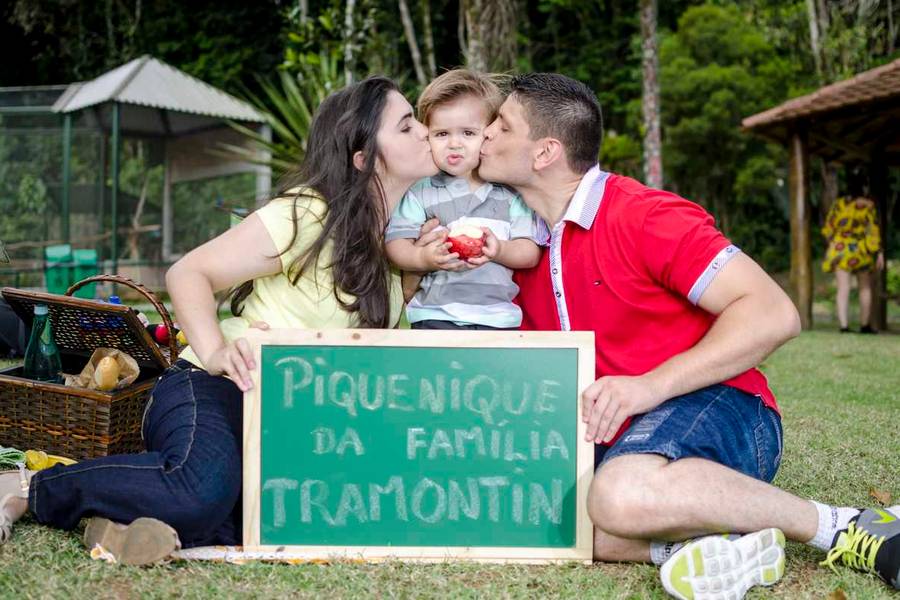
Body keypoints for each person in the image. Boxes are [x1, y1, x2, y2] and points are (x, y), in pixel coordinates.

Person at [472, 72, 899, 598]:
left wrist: (648, 385)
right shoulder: (516, 247)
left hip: (722, 407)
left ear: (545, 153)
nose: (484, 134)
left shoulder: (644, 215)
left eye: (501, 125)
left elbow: (772, 312)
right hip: (618, 435)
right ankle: (705, 550)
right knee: (530, 512)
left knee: (618, 496)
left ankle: (845, 524)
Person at [0, 76, 438, 564]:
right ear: (363, 158)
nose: (425, 132)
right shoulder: (309, 214)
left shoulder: (393, 255)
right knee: (199, 492)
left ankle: (116, 522)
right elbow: (189, 272)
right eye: (406, 126)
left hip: (285, 419)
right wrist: (214, 354)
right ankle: (27, 487)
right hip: (215, 386)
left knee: (283, 513)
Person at [385, 69, 541, 330]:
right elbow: (396, 243)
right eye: (442, 134)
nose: (454, 144)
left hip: (496, 319)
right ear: (428, 136)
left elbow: (529, 252)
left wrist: (498, 250)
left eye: (468, 133)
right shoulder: (421, 191)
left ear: (489, 134)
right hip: (434, 315)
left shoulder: (511, 193)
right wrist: (423, 258)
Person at [821, 170, 884, 333]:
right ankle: (865, 325)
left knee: (843, 288)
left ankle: (844, 325)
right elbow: (873, 231)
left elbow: (828, 228)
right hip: (860, 249)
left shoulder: (839, 204)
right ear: (864, 186)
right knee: (865, 287)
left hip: (840, 248)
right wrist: (879, 252)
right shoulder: (868, 205)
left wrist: (833, 244)